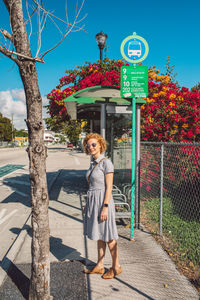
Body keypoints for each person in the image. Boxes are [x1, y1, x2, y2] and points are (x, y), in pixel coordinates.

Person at [83, 133, 122, 279]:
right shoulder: (92, 163)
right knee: (100, 234)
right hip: (94, 201)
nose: (91, 147)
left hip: (103, 202)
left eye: (93, 144)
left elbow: (109, 187)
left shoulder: (106, 163)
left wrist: (105, 206)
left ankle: (116, 266)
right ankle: (100, 265)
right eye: (88, 145)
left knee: (108, 235)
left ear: (100, 145)